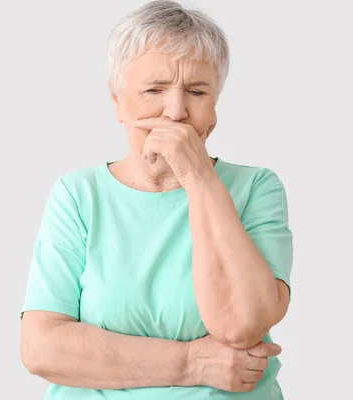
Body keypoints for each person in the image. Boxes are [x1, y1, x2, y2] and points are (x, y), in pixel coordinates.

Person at [19, 1, 293, 399]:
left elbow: (242, 324)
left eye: (197, 91)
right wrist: (193, 362)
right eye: (154, 90)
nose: (176, 111)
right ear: (118, 102)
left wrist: (198, 177)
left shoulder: (256, 188)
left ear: (215, 106)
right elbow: (42, 349)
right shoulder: (78, 195)